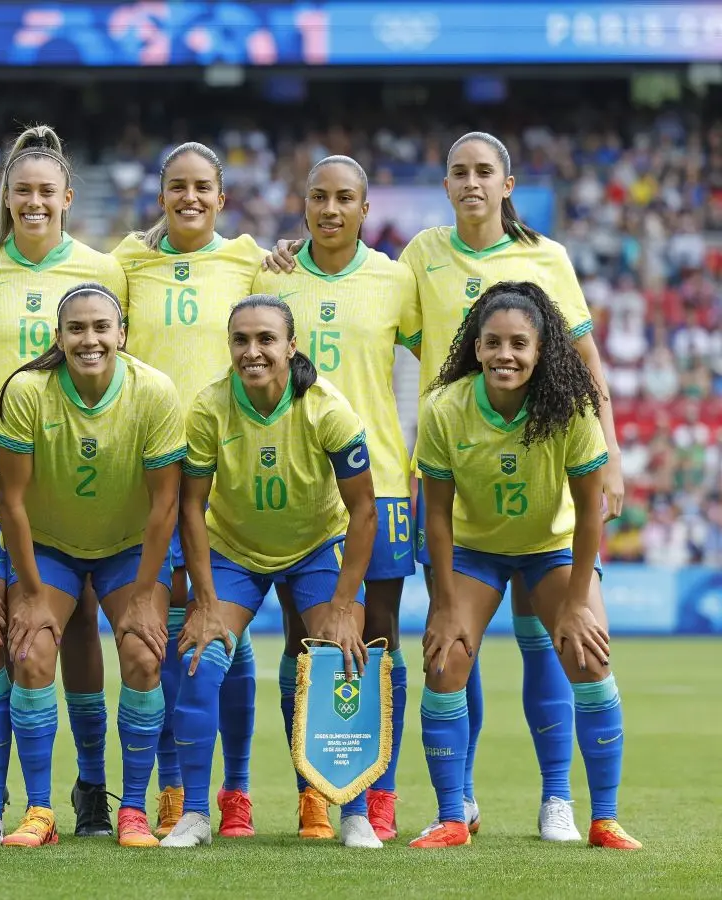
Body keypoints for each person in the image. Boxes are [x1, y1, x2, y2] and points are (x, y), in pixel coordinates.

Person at [266, 131, 623, 841]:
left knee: (543, 640)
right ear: (446, 184)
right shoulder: (420, 258)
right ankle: (457, 803)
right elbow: (346, 284)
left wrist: (609, 450)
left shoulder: (545, 257)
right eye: (458, 172)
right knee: (452, 643)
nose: (471, 183)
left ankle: (559, 799)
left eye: (484, 171)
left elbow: (583, 358)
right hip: (455, 476)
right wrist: (288, 252)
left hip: (537, 475)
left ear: (507, 183)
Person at [0, 126, 128, 838]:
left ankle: (90, 787)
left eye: (46, 191)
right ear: (7, 198)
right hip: (0, 490)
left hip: (87, 485)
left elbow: (113, 366)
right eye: (21, 191)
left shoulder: (103, 270)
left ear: (68, 199)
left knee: (80, 635)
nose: (34, 202)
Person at [412, 281, 639, 851]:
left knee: (587, 654)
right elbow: (435, 515)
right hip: (475, 551)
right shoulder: (445, 407)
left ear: (541, 351)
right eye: (493, 343)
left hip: (550, 547)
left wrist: (577, 602)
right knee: (444, 662)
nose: (505, 355)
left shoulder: (569, 407)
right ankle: (451, 819)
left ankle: (603, 819)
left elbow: (590, 513)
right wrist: (441, 604)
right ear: (476, 347)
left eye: (519, 344)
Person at [167, 294, 379, 849]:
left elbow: (364, 510)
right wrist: (206, 603)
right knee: (199, 658)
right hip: (234, 549)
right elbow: (191, 507)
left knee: (341, 660)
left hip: (315, 546)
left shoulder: (327, 408)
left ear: (291, 346)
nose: (252, 351)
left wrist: (342, 606)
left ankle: (351, 810)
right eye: (241, 340)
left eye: (266, 340)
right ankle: (193, 814)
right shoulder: (209, 407)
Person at [251, 156, 420, 841]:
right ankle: (314, 790)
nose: (330, 209)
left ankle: (378, 791)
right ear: (304, 203)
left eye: (344, 198)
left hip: (376, 481)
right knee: (304, 641)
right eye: (318, 197)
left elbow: (436, 365)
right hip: (296, 488)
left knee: (378, 640)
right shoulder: (272, 276)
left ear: (363, 204)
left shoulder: (395, 279)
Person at [111, 142, 266, 838]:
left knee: (217, 622)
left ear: (222, 197)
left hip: (226, 464)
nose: (190, 198)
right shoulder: (127, 261)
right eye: (178, 186)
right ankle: (175, 786)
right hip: (150, 463)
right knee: (180, 626)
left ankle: (235, 789)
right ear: (161, 193)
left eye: (204, 187)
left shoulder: (249, 259)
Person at [0, 282, 184, 848]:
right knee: (28, 651)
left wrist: (149, 591)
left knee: (144, 654)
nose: (90, 338)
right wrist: (28, 590)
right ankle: (39, 810)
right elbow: (11, 501)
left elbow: (165, 505)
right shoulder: (28, 391)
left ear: (122, 334)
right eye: (76, 328)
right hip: (50, 546)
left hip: (129, 547)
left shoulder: (154, 392)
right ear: (58, 337)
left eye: (102, 327)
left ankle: (131, 810)